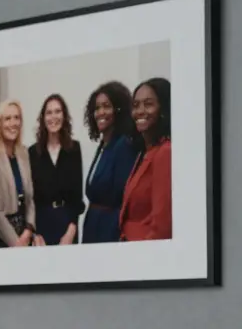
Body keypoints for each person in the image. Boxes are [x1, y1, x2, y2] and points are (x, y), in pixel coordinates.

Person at [81, 80, 138, 243]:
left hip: (109, 230)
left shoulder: (123, 145)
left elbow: (123, 197)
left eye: (106, 106)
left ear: (118, 109)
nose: (100, 112)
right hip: (93, 225)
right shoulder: (103, 145)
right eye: (97, 108)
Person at [120, 77, 172, 241]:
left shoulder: (165, 152)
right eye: (136, 105)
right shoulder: (144, 152)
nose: (140, 111)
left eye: (148, 104)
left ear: (163, 109)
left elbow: (162, 227)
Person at [0, 100, 43, 247]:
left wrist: (29, 230)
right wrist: (16, 243)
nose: (13, 123)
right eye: (8, 118)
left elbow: (30, 198)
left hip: (26, 233)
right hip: (3, 238)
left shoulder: (24, 152)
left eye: (17, 118)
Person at [28, 94, 83, 245]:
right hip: (42, 226)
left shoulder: (74, 149)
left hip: (67, 223)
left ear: (64, 116)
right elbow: (30, 199)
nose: (53, 117)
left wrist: (71, 232)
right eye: (49, 112)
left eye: (58, 111)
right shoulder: (33, 152)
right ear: (43, 118)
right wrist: (35, 234)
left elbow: (77, 197)